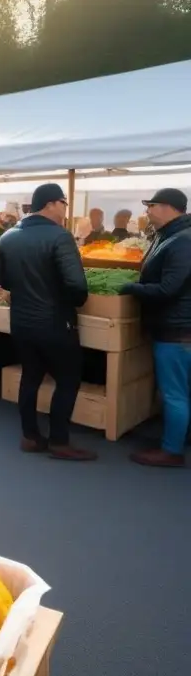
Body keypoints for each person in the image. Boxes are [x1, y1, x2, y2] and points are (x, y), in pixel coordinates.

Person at [0, 183, 96, 460]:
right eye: (64, 203)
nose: (66, 210)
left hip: (21, 321)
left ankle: (30, 435)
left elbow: (3, 280)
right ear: (52, 203)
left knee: (30, 377)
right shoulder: (60, 237)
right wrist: (73, 301)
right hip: (54, 322)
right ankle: (59, 441)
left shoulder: (8, 237)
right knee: (67, 379)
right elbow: (77, 286)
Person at [119, 188, 191, 467]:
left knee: (174, 392)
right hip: (178, 326)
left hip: (177, 330)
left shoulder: (182, 241)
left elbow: (169, 288)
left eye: (151, 205)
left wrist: (132, 288)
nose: (147, 211)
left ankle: (171, 451)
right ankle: (179, 436)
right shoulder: (171, 235)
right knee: (181, 390)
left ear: (169, 207)